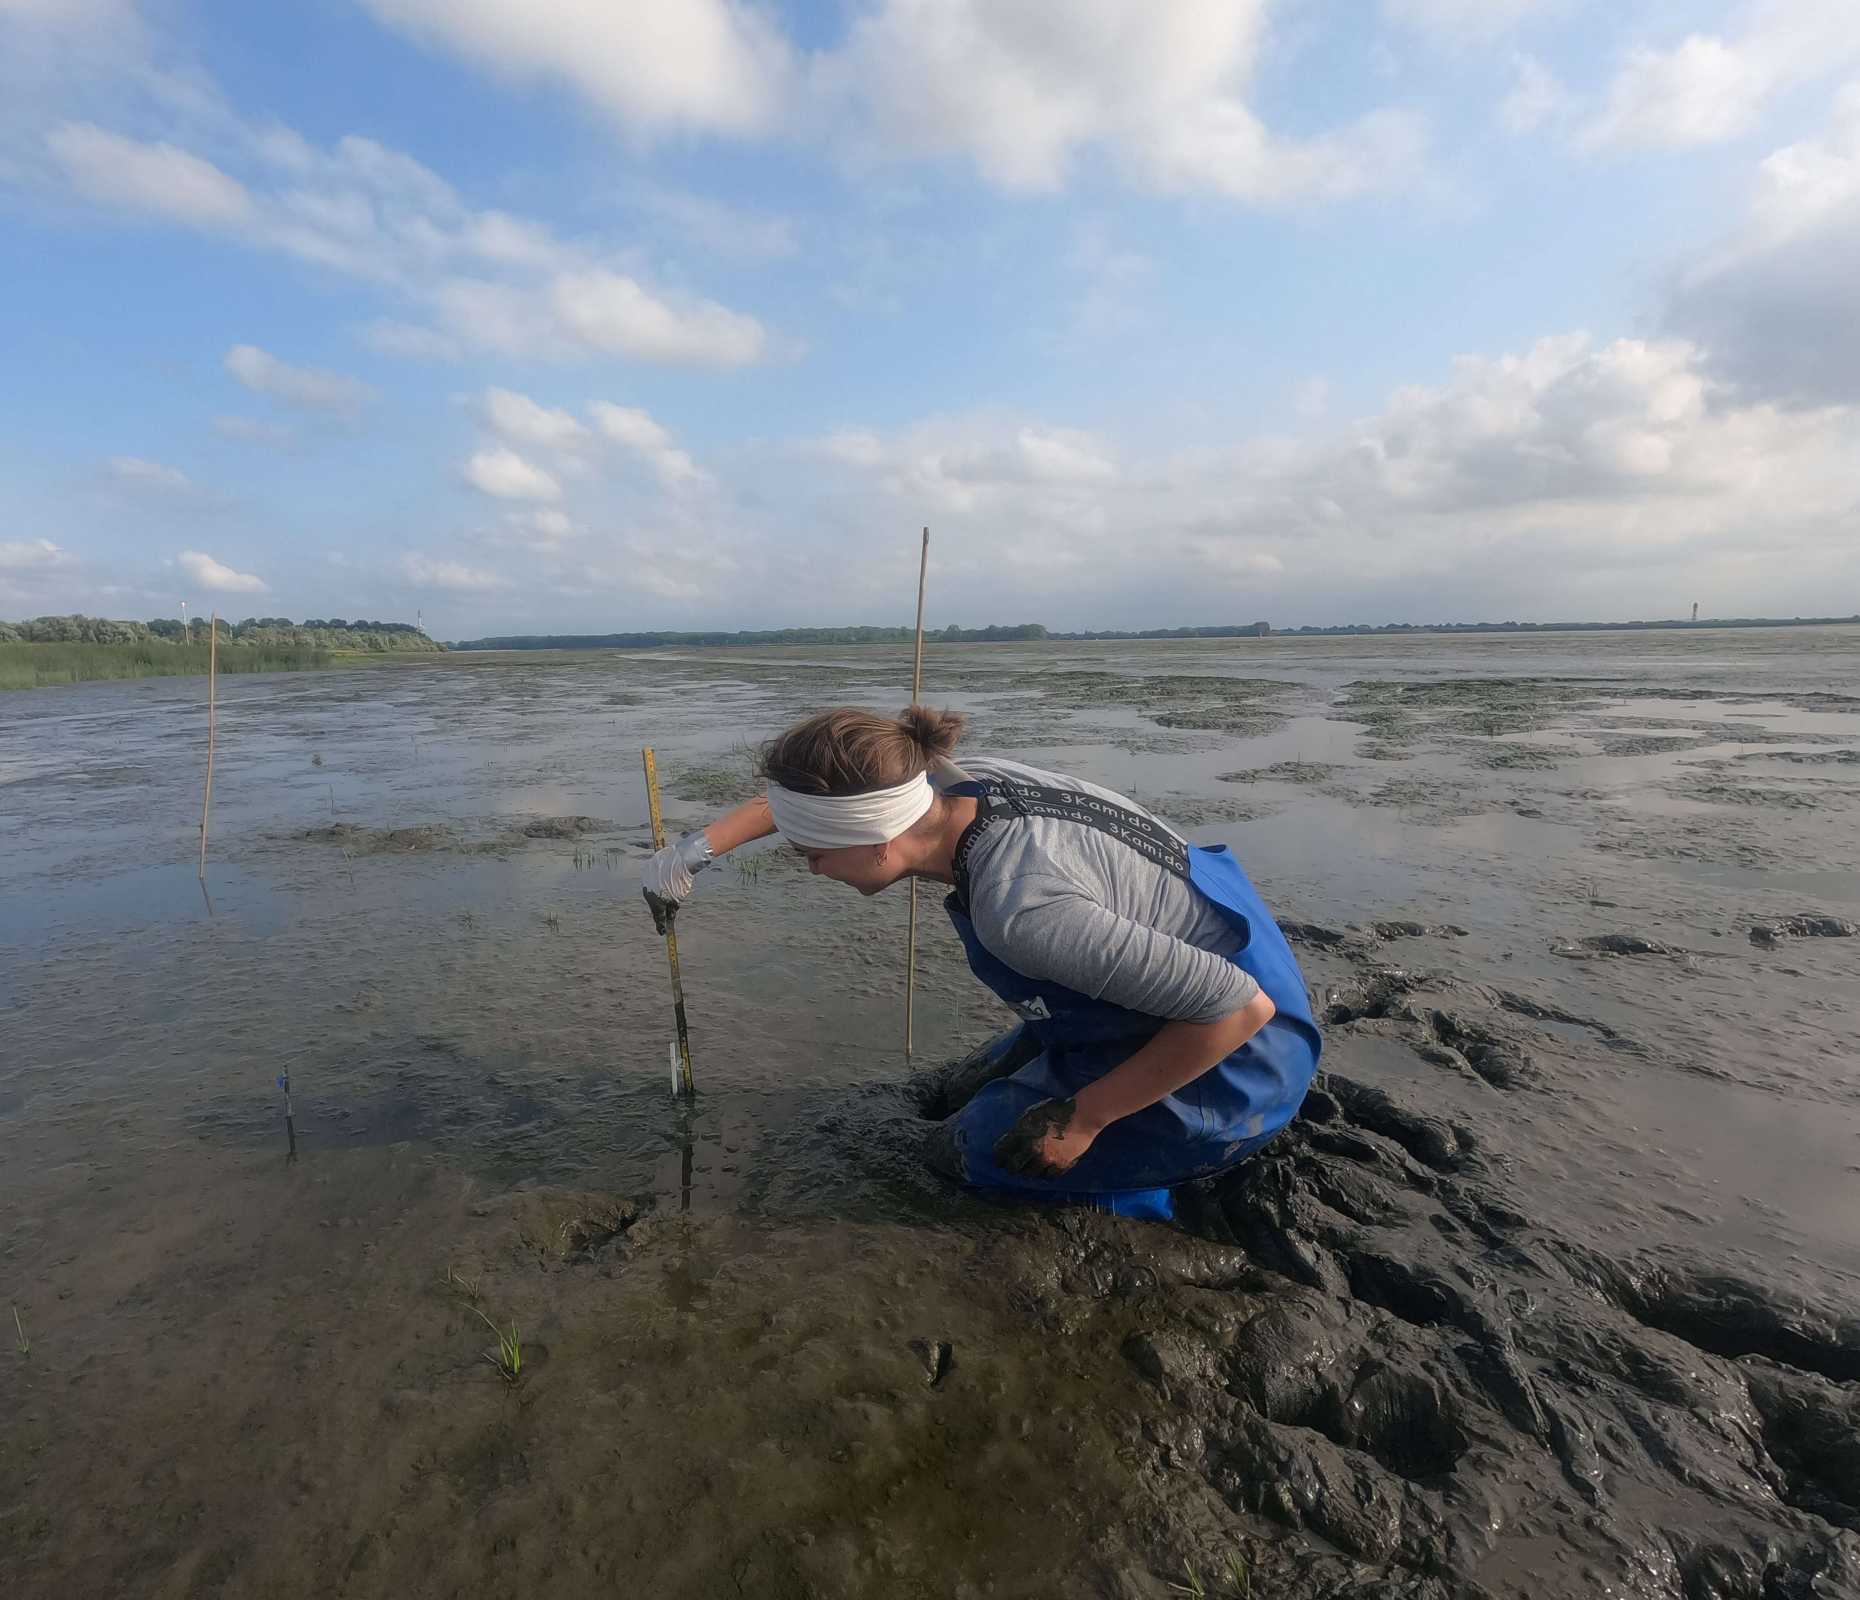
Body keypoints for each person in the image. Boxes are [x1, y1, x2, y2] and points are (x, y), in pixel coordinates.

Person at [641, 705, 1322, 1223]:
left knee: (968, 1153)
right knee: (956, 1088)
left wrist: (1086, 1120)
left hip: (1242, 1057)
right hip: (1189, 976)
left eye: (813, 854)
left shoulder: (1023, 910)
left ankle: (1152, 1190)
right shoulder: (956, 783)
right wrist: (698, 849)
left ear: (878, 841)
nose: (812, 867)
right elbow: (818, 804)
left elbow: (1240, 1009)